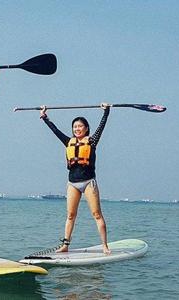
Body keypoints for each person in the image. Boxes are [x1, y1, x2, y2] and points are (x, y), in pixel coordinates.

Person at [40, 103, 111, 254]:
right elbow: (55, 131)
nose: (77, 129)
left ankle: (105, 245)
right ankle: (65, 245)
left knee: (97, 214)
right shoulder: (68, 142)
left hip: (88, 182)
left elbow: (102, 126)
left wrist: (106, 111)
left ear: (86, 128)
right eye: (75, 127)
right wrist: (45, 117)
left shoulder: (92, 141)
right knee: (70, 215)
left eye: (80, 126)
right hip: (73, 183)